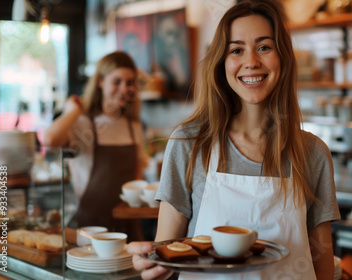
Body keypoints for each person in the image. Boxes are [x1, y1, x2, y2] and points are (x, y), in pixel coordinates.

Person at [127, 0, 340, 279]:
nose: (251, 62)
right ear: (222, 62)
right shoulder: (189, 143)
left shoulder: (312, 152)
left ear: (283, 58)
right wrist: (150, 264)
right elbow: (167, 253)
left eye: (264, 47)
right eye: (237, 50)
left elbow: (321, 261)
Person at [44, 51, 148, 241]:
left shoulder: (134, 125)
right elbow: (49, 139)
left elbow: (137, 172)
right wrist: (72, 111)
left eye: (130, 82)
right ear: (100, 82)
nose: (124, 88)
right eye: (116, 82)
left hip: (129, 225)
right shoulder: (83, 123)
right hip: (91, 229)